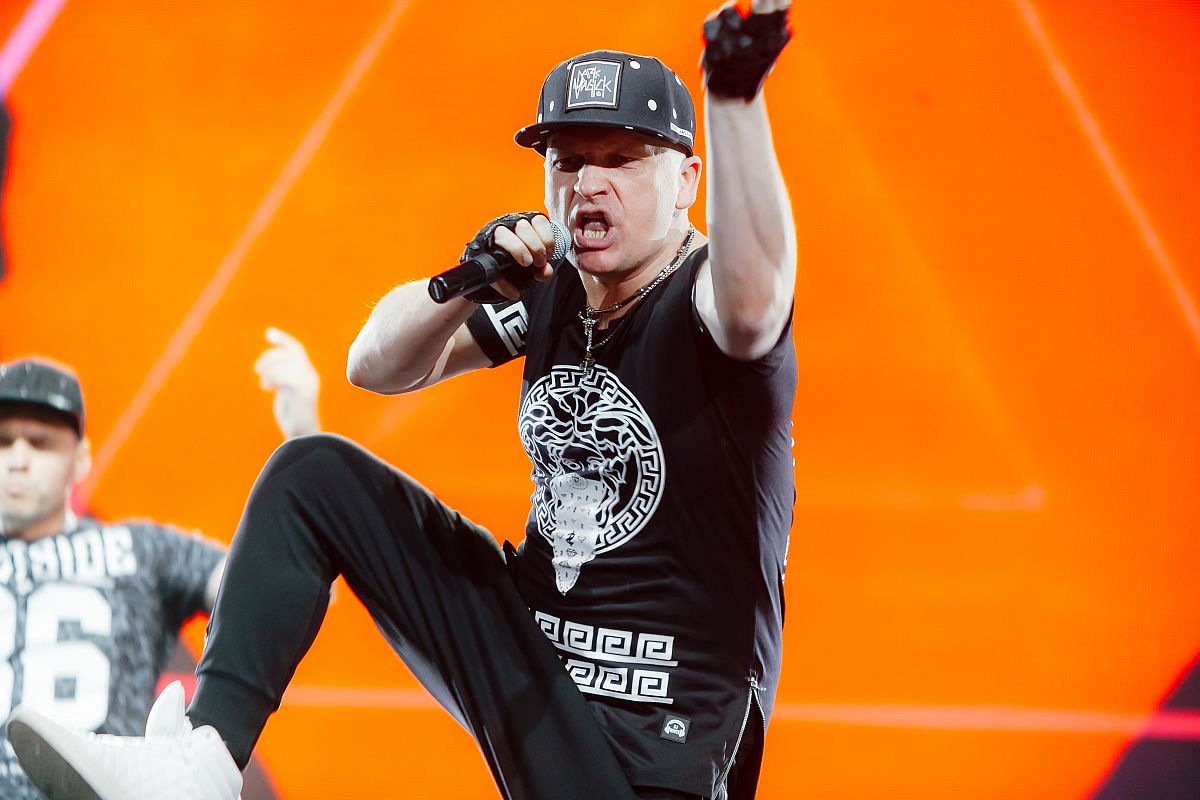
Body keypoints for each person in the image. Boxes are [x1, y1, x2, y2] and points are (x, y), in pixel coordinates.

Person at [8, 2, 797, 798]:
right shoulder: (555, 290)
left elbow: (753, 299)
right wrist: (466, 281)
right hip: (538, 664)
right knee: (313, 475)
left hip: (664, 733)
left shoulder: (706, 302)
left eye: (621, 160)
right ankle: (199, 767)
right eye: (567, 162)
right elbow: (374, 365)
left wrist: (734, 96)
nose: (588, 186)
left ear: (687, 180)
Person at [0, 329, 319, 800]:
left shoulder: (142, 550)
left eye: (40, 441)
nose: (18, 459)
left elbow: (282, 596)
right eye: (3, 441)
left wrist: (303, 440)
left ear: (81, 458)